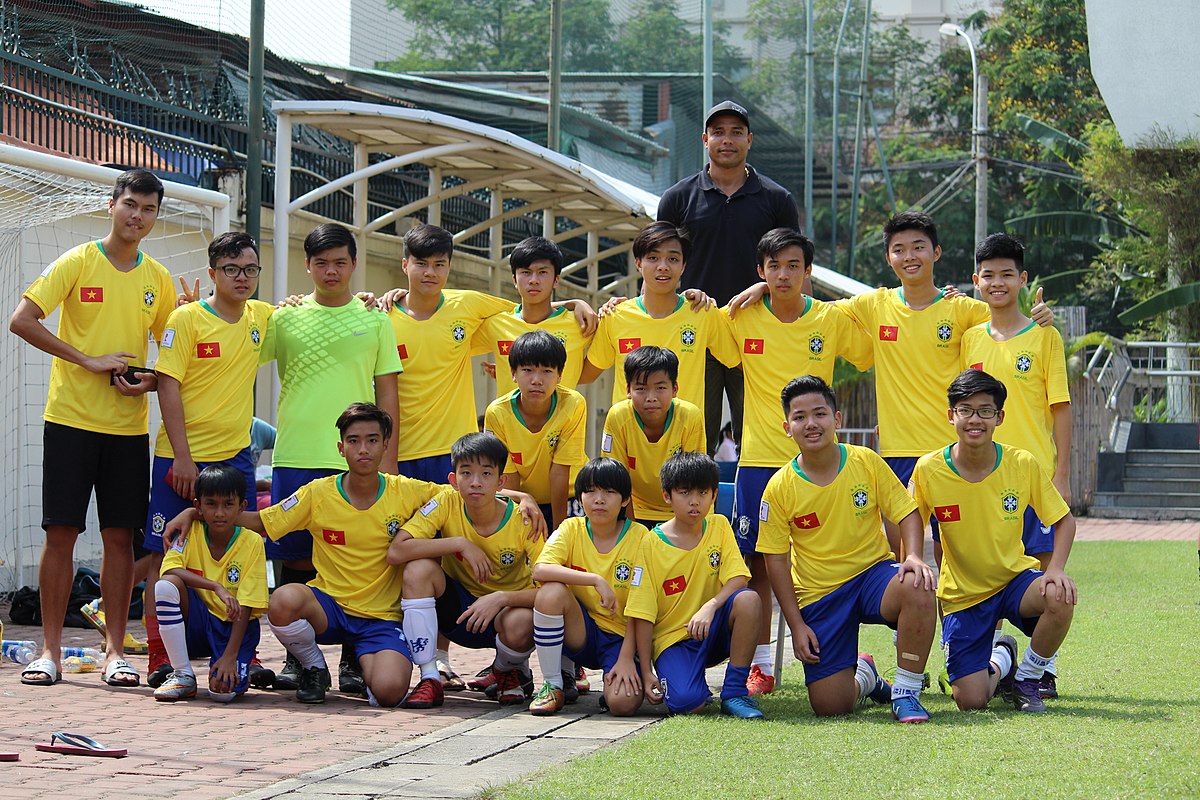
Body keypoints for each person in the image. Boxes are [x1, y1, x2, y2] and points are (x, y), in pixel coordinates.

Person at [10, 168, 176, 687]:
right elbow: (22, 320)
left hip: (127, 430)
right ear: (112, 204)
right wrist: (86, 359)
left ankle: (112, 653)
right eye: (131, 204)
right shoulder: (77, 261)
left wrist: (145, 384)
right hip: (70, 421)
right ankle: (51, 651)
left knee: (120, 539)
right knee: (61, 534)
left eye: (148, 209)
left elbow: (170, 361)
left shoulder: (159, 279)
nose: (138, 216)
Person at [724, 228, 872, 695]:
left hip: (819, 464)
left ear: (809, 272)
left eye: (793, 265)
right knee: (756, 565)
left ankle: (849, 654)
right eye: (773, 266)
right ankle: (762, 664)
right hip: (758, 462)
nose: (783, 274)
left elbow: (870, 352)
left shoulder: (829, 319)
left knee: (831, 557)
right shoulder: (741, 316)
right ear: (760, 272)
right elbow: (700, 319)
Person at [261, 223, 403, 695]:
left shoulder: (377, 320)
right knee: (294, 557)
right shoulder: (284, 319)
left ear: (354, 264)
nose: (331, 271)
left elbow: (388, 392)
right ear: (307, 267)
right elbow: (239, 350)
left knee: (362, 558)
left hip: (358, 458)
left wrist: (390, 460)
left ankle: (350, 659)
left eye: (340, 262)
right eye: (321, 263)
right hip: (297, 451)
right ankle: (298, 659)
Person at [757, 377, 936, 723]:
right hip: (821, 594)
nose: (811, 423)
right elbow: (776, 562)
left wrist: (912, 556)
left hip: (873, 577)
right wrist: (796, 625)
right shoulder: (779, 488)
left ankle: (906, 691)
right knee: (831, 705)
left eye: (819, 414)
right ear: (787, 427)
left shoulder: (865, 461)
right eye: (800, 417)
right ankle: (866, 678)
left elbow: (907, 512)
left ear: (837, 419)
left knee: (918, 583)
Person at [141, 231, 273, 689]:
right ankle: (161, 658)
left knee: (239, 551)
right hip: (181, 461)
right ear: (213, 272)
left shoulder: (261, 317)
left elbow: (308, 308)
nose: (243, 278)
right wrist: (182, 458)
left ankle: (243, 656)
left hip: (234, 457)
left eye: (251, 269)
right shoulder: (186, 319)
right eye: (232, 269)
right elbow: (167, 384)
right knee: (165, 556)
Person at [910, 369, 1077, 713]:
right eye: (965, 410)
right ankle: (1002, 657)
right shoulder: (928, 469)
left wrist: (1056, 568)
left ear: (999, 417)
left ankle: (1028, 679)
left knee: (1060, 594)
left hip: (1015, 581)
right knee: (971, 701)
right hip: (963, 597)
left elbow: (1064, 520)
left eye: (986, 411)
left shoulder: (1021, 463)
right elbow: (908, 516)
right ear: (950, 415)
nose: (975, 419)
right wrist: (912, 556)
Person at [960, 233, 1072, 698]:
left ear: (1023, 280)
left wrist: (1062, 477)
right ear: (976, 281)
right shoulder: (969, 339)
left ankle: (1037, 669)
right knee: (992, 575)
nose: (998, 282)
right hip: (984, 481)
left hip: (1036, 482)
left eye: (1008, 274)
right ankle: (998, 660)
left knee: (1044, 582)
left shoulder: (1045, 335)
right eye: (989, 275)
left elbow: (1061, 408)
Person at [657, 100, 803, 455]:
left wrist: (772, 292)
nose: (727, 140)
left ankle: (761, 510)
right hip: (695, 333)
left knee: (760, 436)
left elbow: (794, 265)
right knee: (693, 439)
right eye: (718, 132)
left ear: (749, 140)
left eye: (736, 132)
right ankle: (695, 511)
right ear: (704, 139)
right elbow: (656, 263)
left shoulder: (776, 199)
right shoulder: (677, 198)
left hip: (757, 334)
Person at [388, 432, 543, 709]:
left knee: (523, 621)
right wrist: (459, 544)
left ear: (501, 482)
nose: (475, 482)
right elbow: (397, 550)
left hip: (504, 614)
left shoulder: (524, 518)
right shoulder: (446, 502)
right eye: (466, 473)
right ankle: (430, 676)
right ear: (453, 479)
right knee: (418, 570)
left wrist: (502, 598)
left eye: (486, 473)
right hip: (459, 610)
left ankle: (508, 669)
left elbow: (551, 588)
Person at [624, 451, 764, 719]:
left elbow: (739, 577)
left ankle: (734, 693)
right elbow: (642, 612)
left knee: (748, 599)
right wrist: (645, 672)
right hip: (674, 640)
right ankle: (692, 686)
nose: (694, 502)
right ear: (667, 495)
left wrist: (711, 606)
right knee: (688, 705)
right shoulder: (651, 543)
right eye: (685, 493)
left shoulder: (719, 526)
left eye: (702, 493)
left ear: (713, 496)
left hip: (713, 629)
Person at [528, 457, 649, 716]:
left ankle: (613, 677)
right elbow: (541, 569)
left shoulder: (641, 538)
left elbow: (644, 605)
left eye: (609, 491)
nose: (599, 499)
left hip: (621, 636)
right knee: (551, 593)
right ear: (581, 498)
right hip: (581, 630)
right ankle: (553, 683)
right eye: (590, 491)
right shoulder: (571, 528)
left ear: (625, 500)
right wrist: (595, 579)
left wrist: (628, 657)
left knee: (623, 703)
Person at [581, 222, 738, 414]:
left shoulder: (702, 312)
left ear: (683, 266)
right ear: (638, 263)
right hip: (629, 438)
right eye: (653, 258)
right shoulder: (615, 315)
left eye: (672, 259)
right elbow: (584, 374)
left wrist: (763, 288)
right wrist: (572, 305)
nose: (663, 267)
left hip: (684, 437)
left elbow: (740, 362)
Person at [153, 465, 268, 702]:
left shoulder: (253, 542)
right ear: (198, 507)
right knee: (165, 585)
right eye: (211, 504)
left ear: (242, 507)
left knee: (222, 693)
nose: (219, 513)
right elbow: (170, 567)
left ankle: (231, 660)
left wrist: (229, 656)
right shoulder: (190, 531)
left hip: (234, 629)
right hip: (199, 623)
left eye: (228, 504)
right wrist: (216, 587)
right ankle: (182, 673)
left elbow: (246, 605)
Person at [483, 331, 588, 531]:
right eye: (527, 370)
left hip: (570, 495)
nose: (537, 380)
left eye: (547, 371)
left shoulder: (573, 404)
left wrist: (558, 534)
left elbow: (560, 472)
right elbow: (508, 477)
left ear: (560, 375)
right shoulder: (497, 413)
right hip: (523, 499)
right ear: (513, 373)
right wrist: (519, 528)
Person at [475, 236, 594, 397]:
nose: (534, 280)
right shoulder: (496, 323)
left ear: (556, 279)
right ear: (514, 280)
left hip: (563, 422)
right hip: (507, 422)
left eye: (542, 272)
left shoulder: (580, 323)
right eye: (526, 272)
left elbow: (590, 373)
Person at [600, 346, 704, 527]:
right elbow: (615, 481)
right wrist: (631, 531)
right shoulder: (618, 417)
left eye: (660, 388)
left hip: (680, 514)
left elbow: (695, 483)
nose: (651, 397)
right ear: (628, 390)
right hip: (633, 510)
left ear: (675, 389)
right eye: (641, 388)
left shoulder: (690, 417)